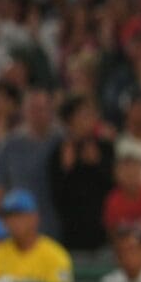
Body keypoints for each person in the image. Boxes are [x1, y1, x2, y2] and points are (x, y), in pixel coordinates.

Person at [0, 88, 62, 240]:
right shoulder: (10, 145)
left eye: (43, 109)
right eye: (33, 109)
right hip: (19, 227)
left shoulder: (63, 140)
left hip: (57, 225)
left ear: (51, 111)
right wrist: (3, 223)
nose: (39, 114)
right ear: (24, 111)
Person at [50, 95, 115, 254]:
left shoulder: (105, 148)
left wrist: (97, 164)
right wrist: (66, 168)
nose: (90, 120)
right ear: (70, 120)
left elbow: (113, 187)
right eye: (84, 115)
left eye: (92, 115)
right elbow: (56, 194)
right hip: (72, 233)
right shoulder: (60, 151)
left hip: (103, 233)